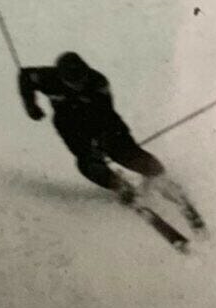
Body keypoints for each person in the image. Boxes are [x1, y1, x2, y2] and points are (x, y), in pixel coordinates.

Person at [18, 52, 165, 202]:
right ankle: (119, 185)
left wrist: (101, 141)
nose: (78, 85)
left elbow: (106, 116)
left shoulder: (98, 83)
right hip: (69, 124)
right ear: (61, 77)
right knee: (86, 162)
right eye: (72, 82)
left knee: (120, 150)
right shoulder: (48, 78)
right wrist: (31, 105)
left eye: (81, 80)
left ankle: (157, 173)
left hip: (103, 121)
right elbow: (25, 76)